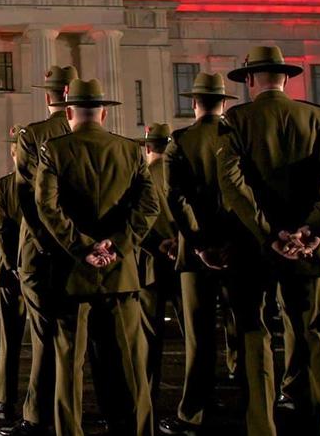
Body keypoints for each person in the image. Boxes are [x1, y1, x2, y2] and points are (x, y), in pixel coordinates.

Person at [217, 45, 320, 436]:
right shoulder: (317, 117)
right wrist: (313, 228)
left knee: (255, 334)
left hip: (255, 248)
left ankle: (262, 425)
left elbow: (233, 185)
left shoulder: (237, 119)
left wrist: (267, 233)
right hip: (310, 246)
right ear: (286, 79)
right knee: (317, 336)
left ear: (249, 80)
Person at [36, 77, 158, 436]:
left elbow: (48, 208)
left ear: (69, 110)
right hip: (120, 273)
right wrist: (116, 245)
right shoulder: (130, 150)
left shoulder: (53, 150)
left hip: (72, 274)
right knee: (129, 367)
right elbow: (149, 206)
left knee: (69, 366)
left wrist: (81, 247)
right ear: (104, 112)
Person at [158, 72, 242, 436]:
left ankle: (195, 410)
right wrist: (231, 242)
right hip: (238, 251)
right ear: (224, 103)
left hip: (195, 255)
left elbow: (177, 198)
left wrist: (197, 243)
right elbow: (246, 195)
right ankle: (254, 406)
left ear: (194, 103)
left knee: (200, 336)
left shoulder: (182, 141)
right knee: (247, 331)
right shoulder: (238, 139)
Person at [0, 65, 77, 436]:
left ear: (48, 97)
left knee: (45, 338)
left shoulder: (34, 135)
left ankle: (36, 416)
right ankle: (79, 416)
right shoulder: (96, 136)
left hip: (41, 252)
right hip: (84, 254)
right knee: (83, 340)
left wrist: (49, 242)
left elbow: (26, 200)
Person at [136, 122, 180, 426]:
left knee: (149, 339)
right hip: (187, 260)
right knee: (195, 334)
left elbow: (141, 219)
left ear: (148, 147)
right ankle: (195, 399)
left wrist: (158, 244)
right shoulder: (181, 171)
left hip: (152, 262)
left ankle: (146, 398)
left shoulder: (145, 177)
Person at [0, 127, 27, 423]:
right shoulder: (47, 184)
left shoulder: (4, 186)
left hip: (14, 273)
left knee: (11, 340)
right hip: (43, 273)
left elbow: (1, 230)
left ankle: (5, 399)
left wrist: (13, 265)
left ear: (13, 154)